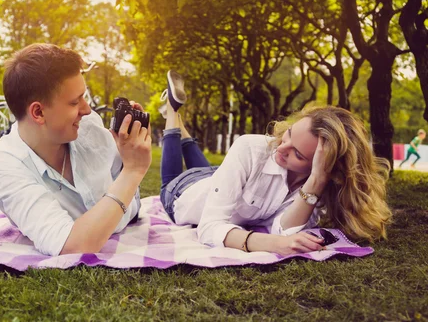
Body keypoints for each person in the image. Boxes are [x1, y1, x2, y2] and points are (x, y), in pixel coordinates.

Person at [158, 70, 392, 256]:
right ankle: (171, 111)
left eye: (298, 155)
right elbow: (209, 228)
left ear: (325, 168)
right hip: (181, 194)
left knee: (206, 171)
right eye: (289, 134)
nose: (281, 147)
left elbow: (284, 229)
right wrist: (272, 244)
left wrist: (316, 182)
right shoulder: (251, 147)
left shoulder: (320, 183)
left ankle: (176, 116)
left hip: (215, 178)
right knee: (170, 179)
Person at [0, 44, 151, 256]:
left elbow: (116, 165)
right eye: (74, 102)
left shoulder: (87, 124)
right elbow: (72, 246)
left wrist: (129, 149)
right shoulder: (4, 165)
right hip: (119, 204)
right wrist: (134, 171)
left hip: (129, 207)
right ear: (38, 112)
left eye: (84, 97)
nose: (87, 109)